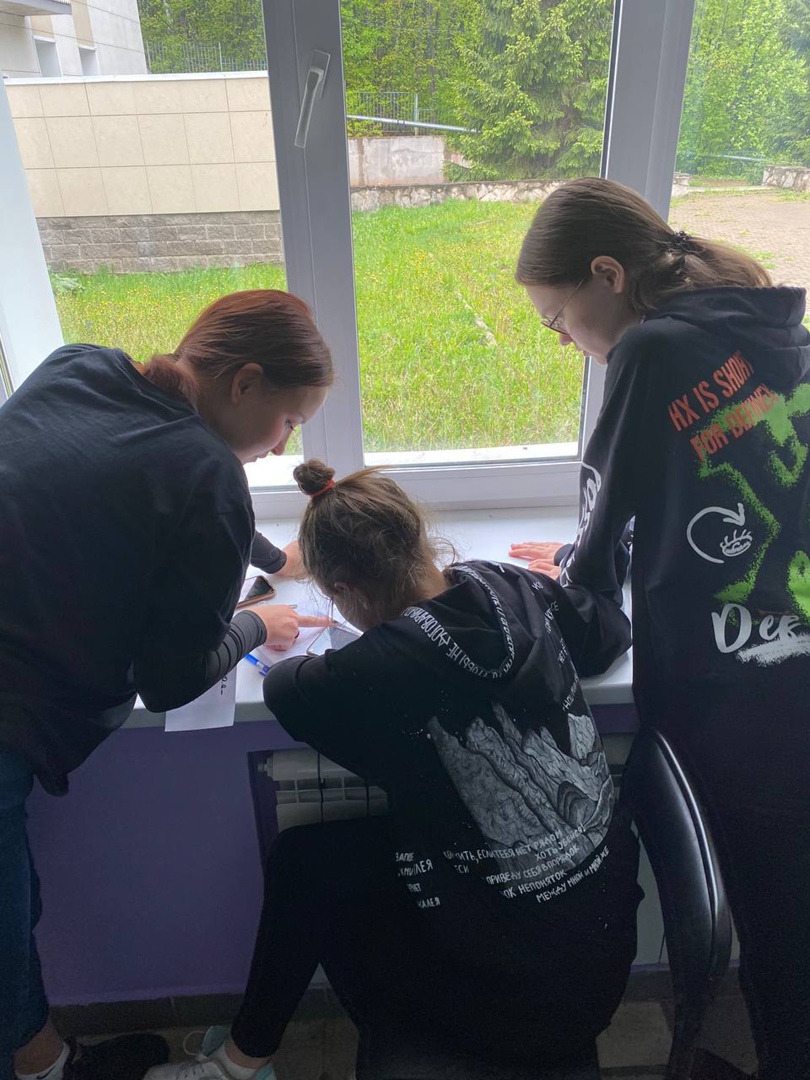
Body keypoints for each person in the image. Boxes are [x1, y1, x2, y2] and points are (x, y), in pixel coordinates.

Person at [147, 458, 642, 1080]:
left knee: (307, 875)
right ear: (419, 538)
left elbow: (286, 687)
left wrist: (253, 626)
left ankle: (241, 1064)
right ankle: (242, 1061)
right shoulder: (506, 583)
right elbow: (607, 635)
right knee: (312, 861)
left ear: (343, 591)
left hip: (512, 1007)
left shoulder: (369, 672)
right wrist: (563, 572)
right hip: (600, 959)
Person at [510, 177, 810, 1080]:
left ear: (608, 275)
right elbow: (734, 479)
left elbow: (599, 555)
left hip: (736, 699)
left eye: (557, 319)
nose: (564, 341)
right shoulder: (759, 325)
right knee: (791, 919)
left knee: (771, 926)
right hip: (793, 664)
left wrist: (567, 572)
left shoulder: (650, 349)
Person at [0, 290, 333, 1080]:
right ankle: (48, 1070)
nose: (284, 445)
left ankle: (47, 1060)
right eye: (289, 421)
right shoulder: (211, 477)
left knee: (15, 906)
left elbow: (126, 478)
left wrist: (271, 559)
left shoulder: (80, 366)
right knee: (6, 922)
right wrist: (259, 625)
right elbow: (173, 680)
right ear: (245, 383)